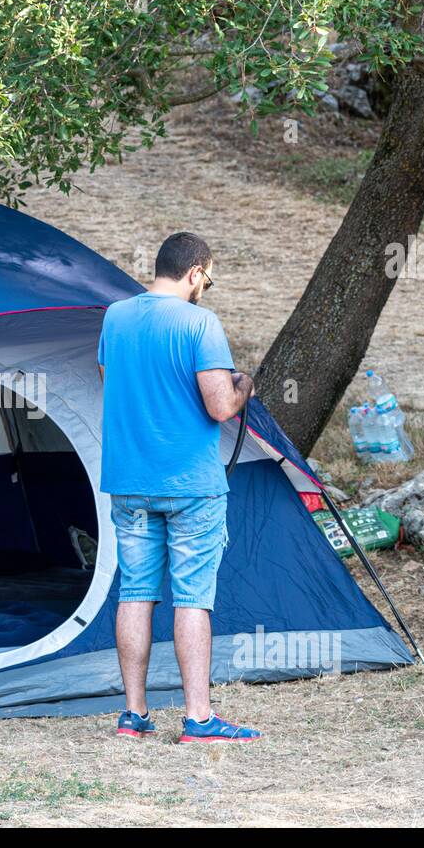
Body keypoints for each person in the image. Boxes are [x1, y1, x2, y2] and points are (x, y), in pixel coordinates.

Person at [97, 232, 260, 743]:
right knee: (192, 598)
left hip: (129, 481)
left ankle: (134, 714)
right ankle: (198, 718)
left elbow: (108, 378)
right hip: (191, 484)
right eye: (206, 279)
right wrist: (244, 385)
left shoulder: (115, 318)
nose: (204, 288)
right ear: (194, 273)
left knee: (136, 593)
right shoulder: (200, 323)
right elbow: (219, 406)